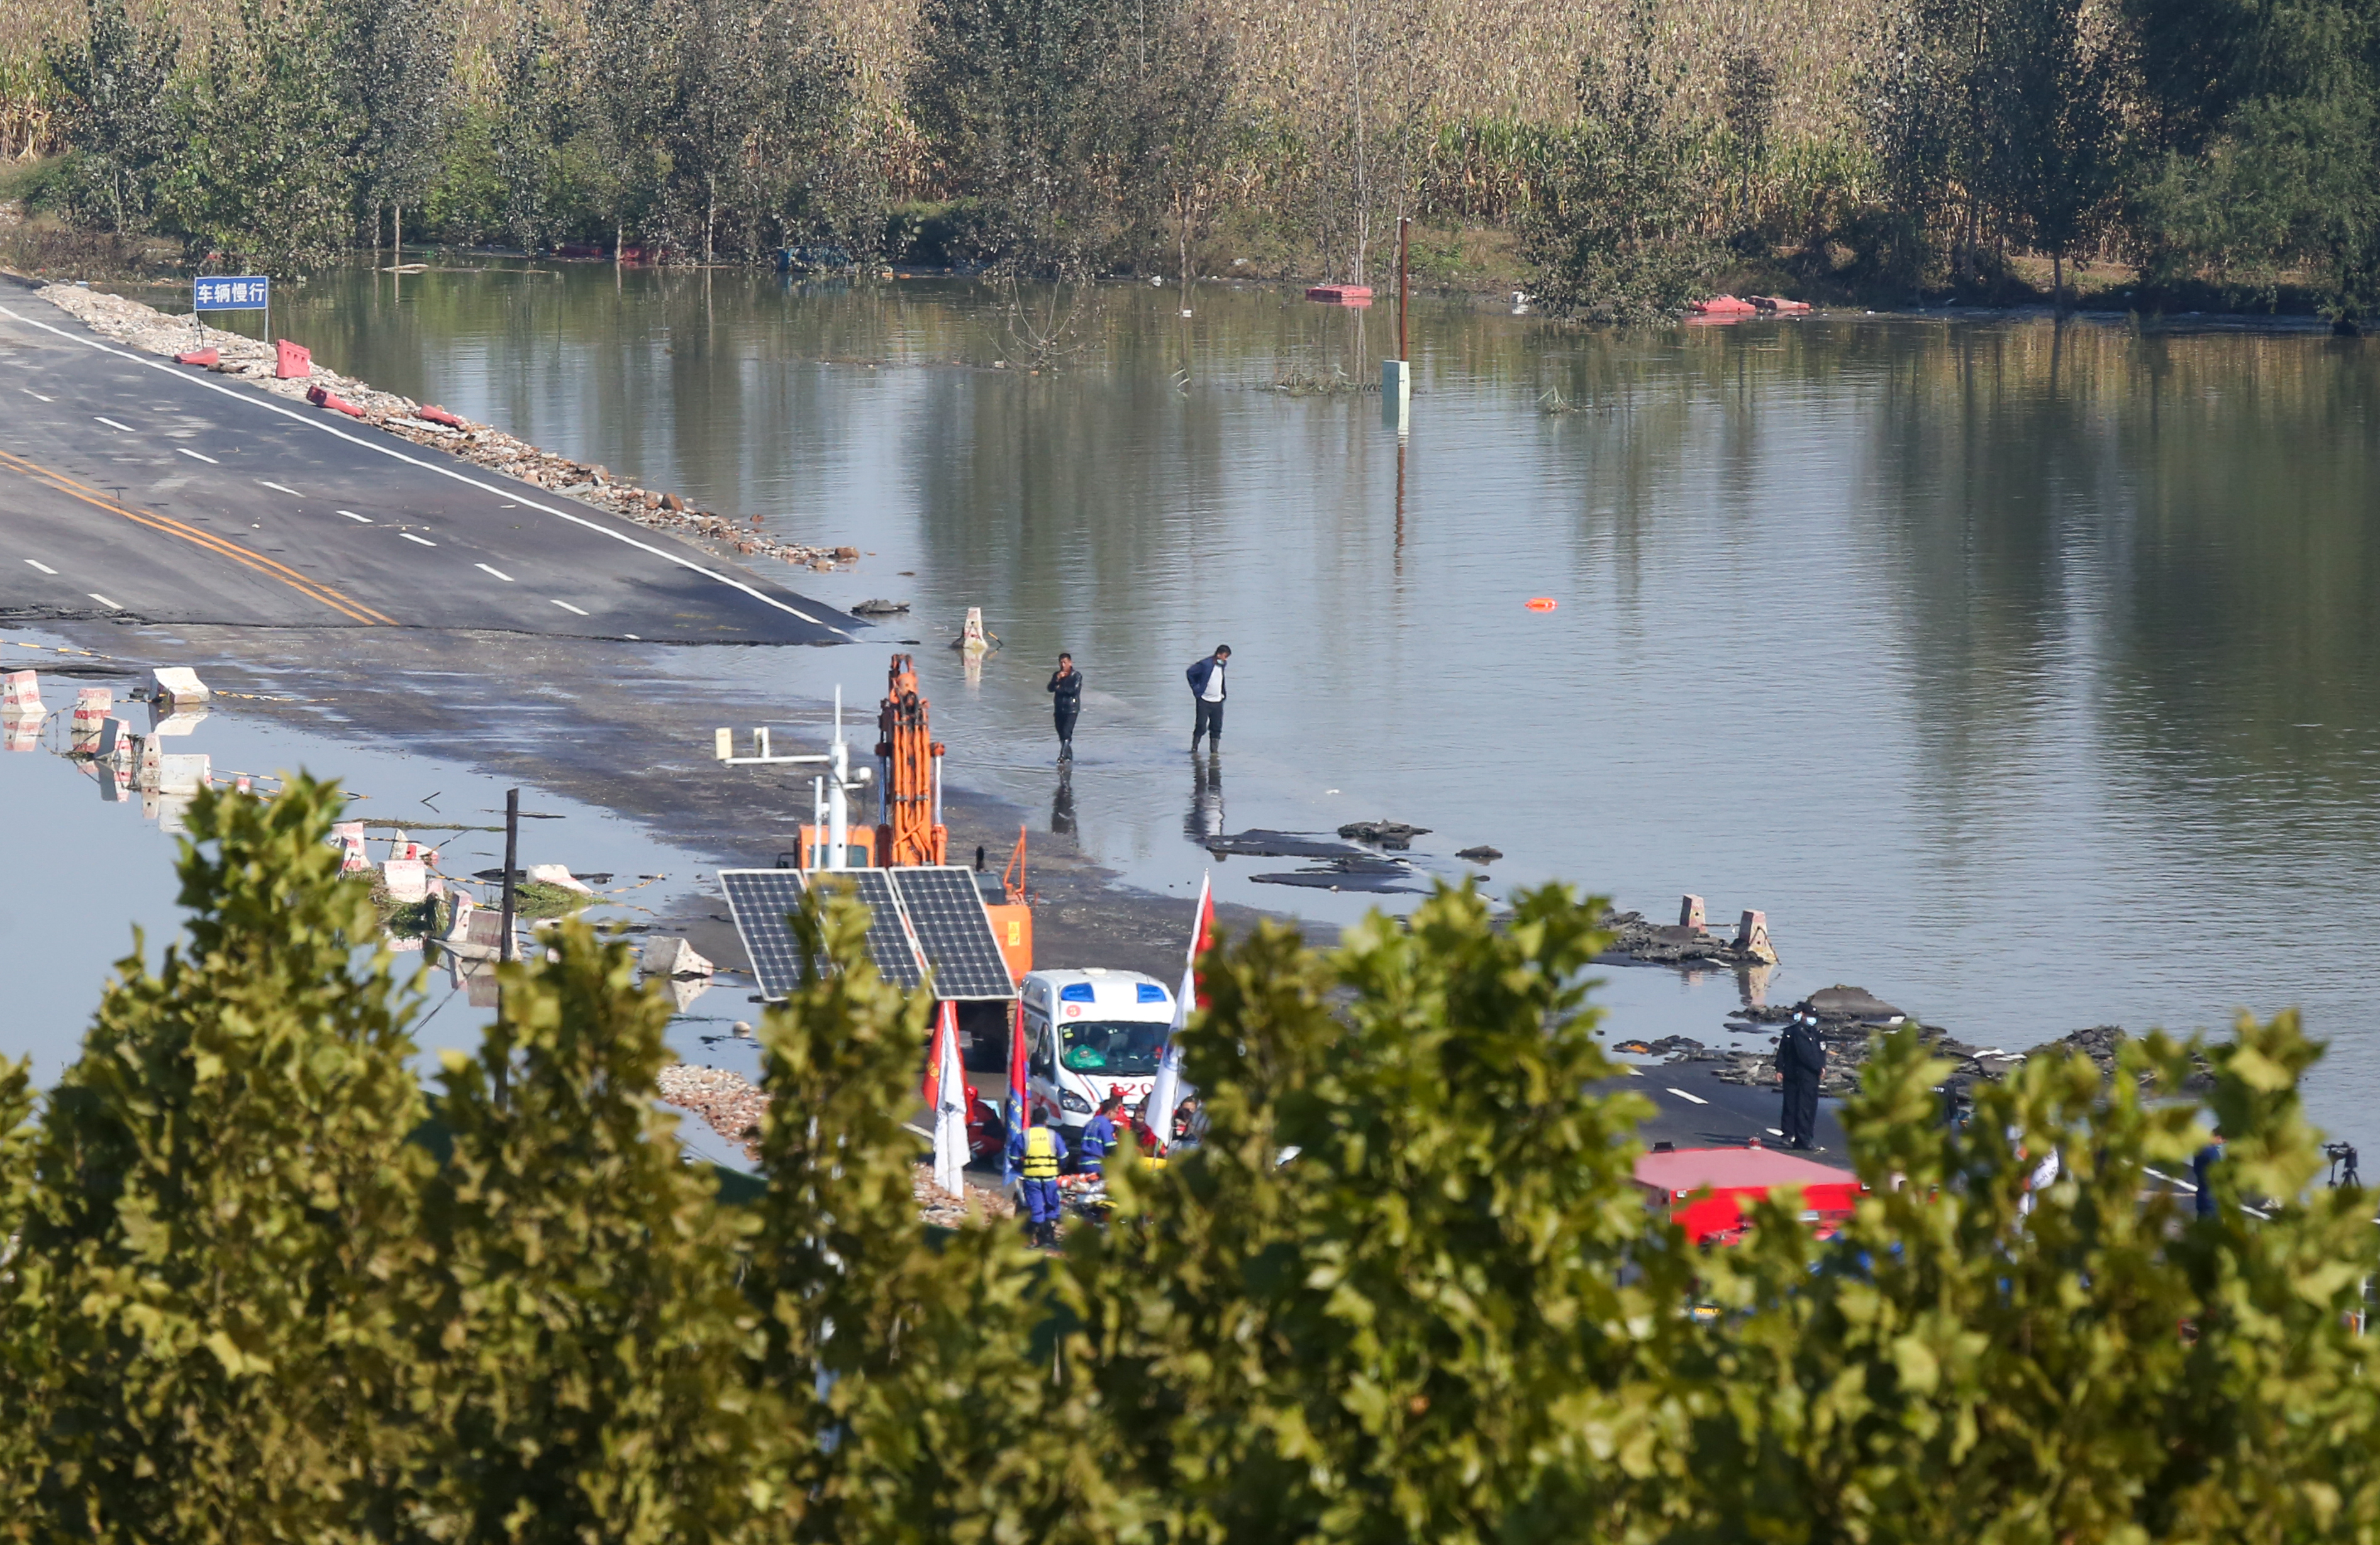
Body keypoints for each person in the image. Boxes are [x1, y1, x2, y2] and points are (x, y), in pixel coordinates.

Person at [1016, 1104, 1069, 1248]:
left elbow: (1013, 1157)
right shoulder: (1053, 1135)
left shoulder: (1024, 1135)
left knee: (1036, 1209)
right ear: (1046, 1120)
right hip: (1050, 1178)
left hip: (1032, 1179)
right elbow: (1064, 1156)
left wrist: (1022, 1168)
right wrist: (1059, 1167)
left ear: (1032, 1119)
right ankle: (1048, 1239)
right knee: (1052, 1208)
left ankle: (1030, 1239)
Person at [1777, 1006, 1826, 1150]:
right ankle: (1797, 1137)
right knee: (1794, 1105)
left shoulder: (1816, 1033)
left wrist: (1822, 1067)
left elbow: (1821, 1052)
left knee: (1807, 1107)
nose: (1812, 1018)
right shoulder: (1795, 1032)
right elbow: (1799, 1054)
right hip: (1798, 1073)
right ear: (1803, 1015)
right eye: (1809, 1015)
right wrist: (1779, 1068)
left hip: (1810, 1075)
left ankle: (1803, 1137)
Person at [1186, 644, 1230, 751]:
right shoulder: (1205, 664)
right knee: (1201, 726)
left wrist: (1223, 694)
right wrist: (1196, 688)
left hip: (1218, 701)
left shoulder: (1222, 665)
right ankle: (1194, 748)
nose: (1226, 659)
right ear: (1218, 655)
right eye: (1225, 656)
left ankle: (1214, 753)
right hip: (1204, 700)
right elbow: (1190, 672)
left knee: (1216, 728)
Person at [1047, 653, 1082, 762]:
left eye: (1065, 662)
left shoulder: (1076, 676)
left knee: (1067, 733)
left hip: (1071, 709)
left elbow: (1073, 691)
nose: (1063, 665)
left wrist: (1059, 689)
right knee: (1061, 734)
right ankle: (1069, 758)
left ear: (1070, 663)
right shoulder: (1057, 675)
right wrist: (1057, 679)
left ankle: (1062, 756)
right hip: (1059, 709)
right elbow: (1050, 688)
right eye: (1061, 663)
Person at [1079, 1094, 1123, 1178]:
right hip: (1096, 1164)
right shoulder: (1106, 1124)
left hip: (1083, 1162)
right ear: (1110, 1112)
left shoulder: (1089, 1123)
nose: (1117, 1115)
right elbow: (1110, 1146)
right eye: (1116, 1113)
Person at [2193, 1128, 2225, 1218]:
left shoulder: (2200, 1148)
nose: (2222, 1143)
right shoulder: (2213, 1153)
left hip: (2202, 1193)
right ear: (2219, 1137)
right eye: (2223, 1141)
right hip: (2211, 1197)